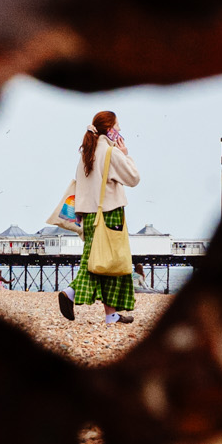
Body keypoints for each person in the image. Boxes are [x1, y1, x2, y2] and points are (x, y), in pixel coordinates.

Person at [58, 110, 141, 325]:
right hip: (109, 213)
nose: (120, 129)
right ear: (110, 129)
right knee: (112, 262)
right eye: (117, 125)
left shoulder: (87, 152)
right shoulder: (110, 153)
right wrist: (125, 153)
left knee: (98, 260)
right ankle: (71, 293)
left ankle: (110, 314)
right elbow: (133, 178)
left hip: (89, 215)